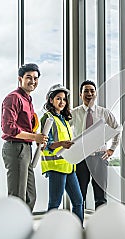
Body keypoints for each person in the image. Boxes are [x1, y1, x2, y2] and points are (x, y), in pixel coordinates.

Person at [1, 63, 48, 211]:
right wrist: (35, 137)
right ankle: (14, 231)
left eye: (35, 78)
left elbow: (28, 127)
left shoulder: (28, 100)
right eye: (29, 77)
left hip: (26, 148)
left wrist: (39, 139)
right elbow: (8, 127)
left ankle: (24, 227)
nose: (33, 81)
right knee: (17, 197)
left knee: (30, 196)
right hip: (16, 148)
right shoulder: (13, 98)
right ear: (20, 79)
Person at [70, 80, 120, 209]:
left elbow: (118, 128)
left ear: (96, 94)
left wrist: (112, 149)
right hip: (81, 158)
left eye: (92, 91)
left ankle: (100, 226)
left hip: (100, 157)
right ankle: (78, 226)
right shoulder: (74, 113)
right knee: (80, 196)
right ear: (80, 94)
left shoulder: (104, 112)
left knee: (101, 197)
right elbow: (62, 129)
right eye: (86, 91)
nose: (89, 93)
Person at [40, 84, 84, 223]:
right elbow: (46, 144)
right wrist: (62, 144)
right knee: (55, 203)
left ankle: (78, 229)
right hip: (56, 167)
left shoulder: (64, 119)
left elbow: (68, 142)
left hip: (69, 166)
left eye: (64, 99)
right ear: (51, 100)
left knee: (78, 201)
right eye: (58, 98)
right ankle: (48, 231)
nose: (62, 102)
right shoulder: (47, 118)